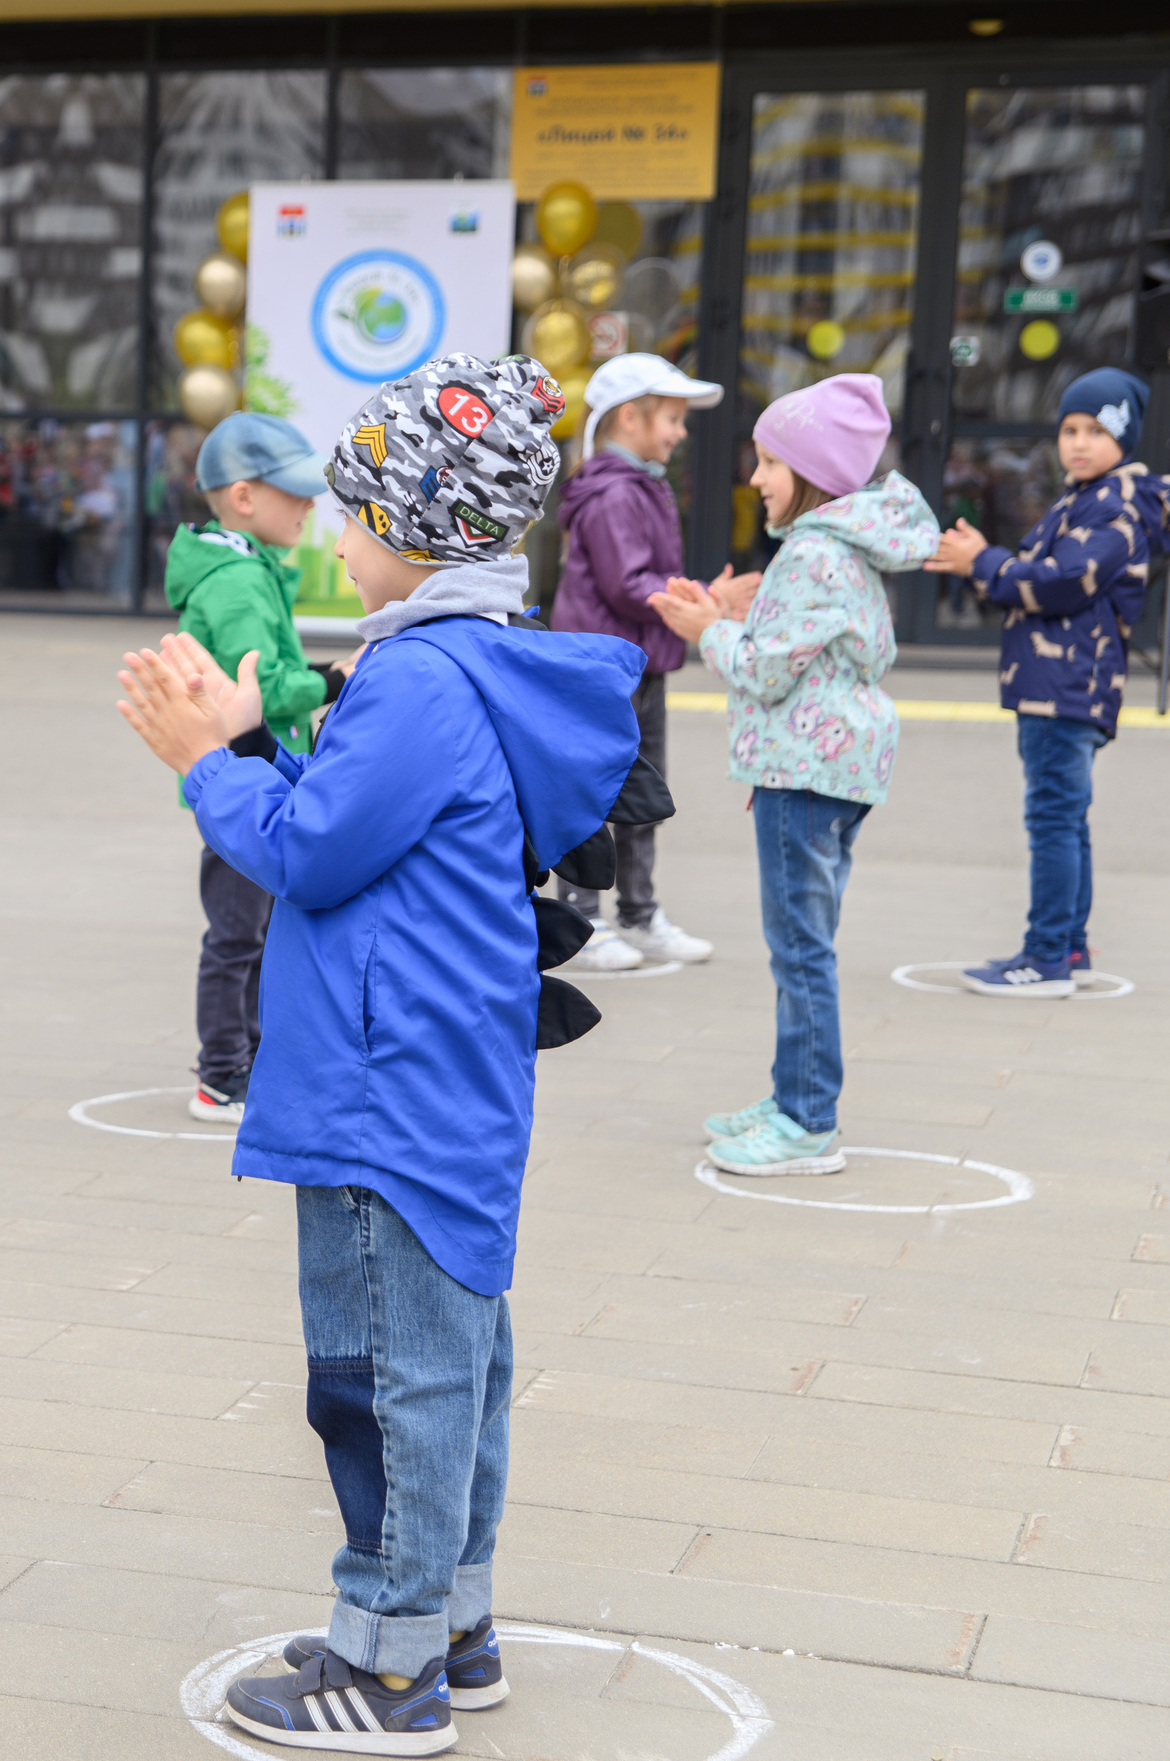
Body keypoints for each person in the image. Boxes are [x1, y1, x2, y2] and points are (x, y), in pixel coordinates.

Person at [119, 355, 641, 1756]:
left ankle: (392, 1665)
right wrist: (254, 743)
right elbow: (362, 818)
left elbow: (312, 850)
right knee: (451, 1362)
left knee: (383, 1376)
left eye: (354, 514)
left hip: (381, 1086)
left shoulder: (417, 674)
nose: (336, 539)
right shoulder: (461, 663)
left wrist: (205, 764)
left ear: (421, 531)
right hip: (433, 1074)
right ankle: (445, 1625)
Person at [650, 374, 938, 1176]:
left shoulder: (811, 551)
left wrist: (710, 631)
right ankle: (790, 1096)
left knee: (800, 950)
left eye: (769, 461)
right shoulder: (840, 545)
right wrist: (734, 615)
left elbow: (767, 675)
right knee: (805, 944)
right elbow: (811, 651)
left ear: (809, 470)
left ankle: (807, 1120)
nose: (754, 478)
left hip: (804, 775)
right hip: (836, 768)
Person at [922, 366, 1170, 997]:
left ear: (1126, 437)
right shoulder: (1084, 499)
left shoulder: (1113, 510)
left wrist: (982, 561)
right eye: (1069, 429)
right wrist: (991, 558)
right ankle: (1068, 945)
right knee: (1069, 818)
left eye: (1096, 429)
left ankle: (1044, 959)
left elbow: (1061, 582)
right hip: (1055, 686)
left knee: (1053, 820)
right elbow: (1042, 570)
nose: (1079, 442)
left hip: (1065, 689)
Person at [163, 411, 342, 1124]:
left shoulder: (249, 565)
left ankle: (256, 1059)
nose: (308, 505)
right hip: (238, 782)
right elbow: (256, 683)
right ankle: (222, 1073)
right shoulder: (237, 581)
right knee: (240, 932)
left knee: (260, 929)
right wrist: (326, 682)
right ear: (243, 497)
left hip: (250, 776)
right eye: (294, 492)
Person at [552, 353, 738, 971]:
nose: (681, 432)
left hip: (636, 667)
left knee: (641, 791)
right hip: (606, 670)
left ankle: (636, 912)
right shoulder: (614, 494)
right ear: (630, 418)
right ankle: (582, 917)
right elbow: (626, 581)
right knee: (595, 793)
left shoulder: (637, 484)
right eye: (673, 419)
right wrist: (702, 599)